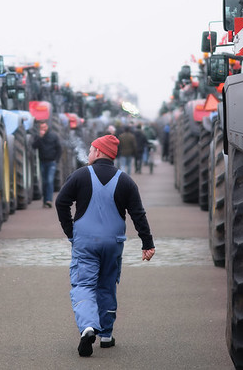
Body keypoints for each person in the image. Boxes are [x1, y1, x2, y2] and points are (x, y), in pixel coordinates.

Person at [55, 134, 155, 357]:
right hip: (113, 243)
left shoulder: (80, 175)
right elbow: (138, 214)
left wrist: (70, 232)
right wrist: (147, 243)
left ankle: (88, 327)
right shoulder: (126, 180)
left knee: (83, 284)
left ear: (99, 152)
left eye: (91, 150)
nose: (89, 153)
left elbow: (61, 202)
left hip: (85, 242)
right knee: (108, 285)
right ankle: (107, 335)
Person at [32, 121, 62, 208]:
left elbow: (59, 148)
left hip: (51, 162)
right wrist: (40, 138)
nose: (43, 129)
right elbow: (34, 146)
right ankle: (45, 201)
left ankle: (49, 200)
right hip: (42, 162)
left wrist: (56, 160)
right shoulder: (38, 137)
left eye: (44, 127)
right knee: (44, 182)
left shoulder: (53, 136)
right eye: (42, 128)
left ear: (47, 127)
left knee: (49, 181)